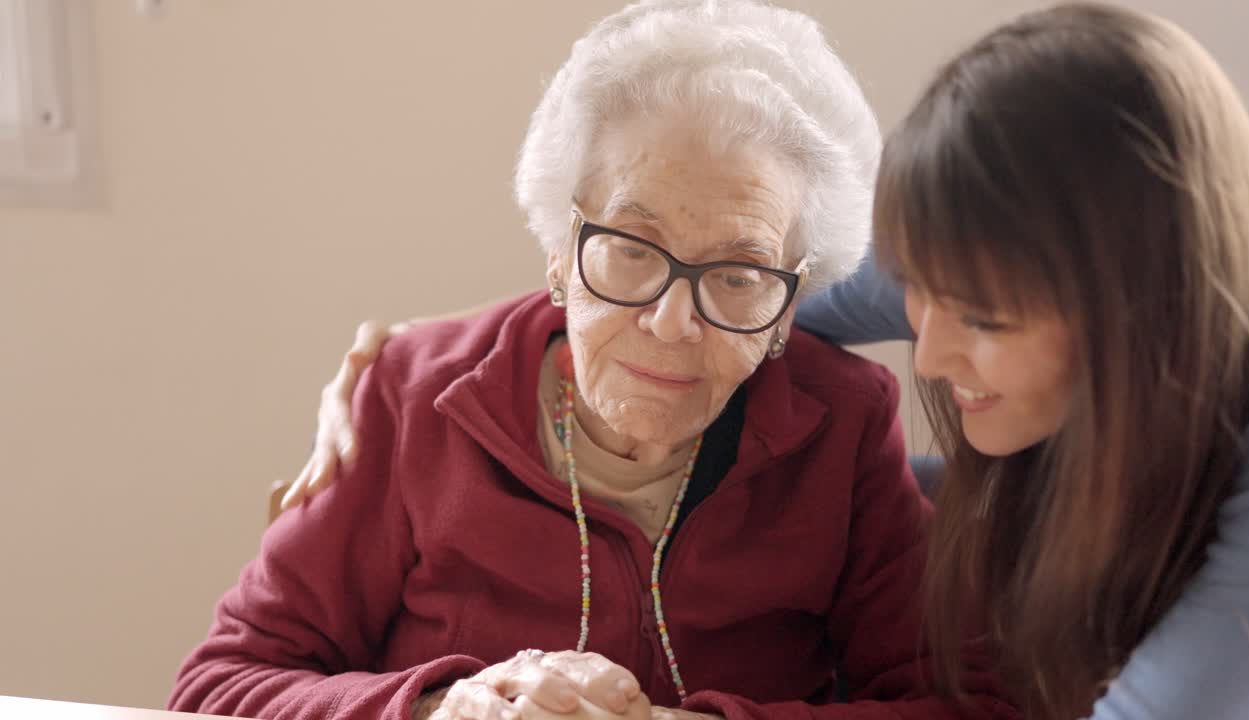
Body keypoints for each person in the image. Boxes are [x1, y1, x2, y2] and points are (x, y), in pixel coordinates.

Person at [294, 3, 1249, 719]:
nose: (924, 353)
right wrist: (425, 361)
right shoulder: (991, 257)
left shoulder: (1246, 444)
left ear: (1133, 309)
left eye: (978, 319)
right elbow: (716, 287)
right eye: (921, 293)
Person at [168, 2, 1014, 720]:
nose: (672, 321)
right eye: (631, 248)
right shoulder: (411, 399)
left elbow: (958, 702)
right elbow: (216, 688)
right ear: (559, 248)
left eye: (737, 272)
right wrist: (438, 709)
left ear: (791, 301)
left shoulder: (843, 425)